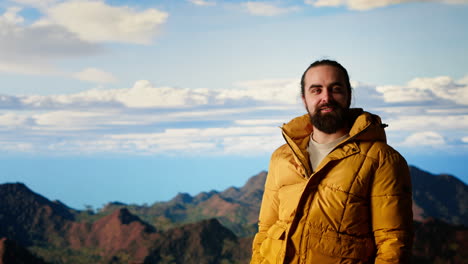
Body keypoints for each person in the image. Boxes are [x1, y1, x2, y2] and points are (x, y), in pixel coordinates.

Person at [250, 60, 413, 264]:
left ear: (349, 95)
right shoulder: (281, 157)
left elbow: (393, 244)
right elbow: (265, 231)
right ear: (305, 99)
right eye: (316, 90)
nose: (326, 97)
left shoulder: (382, 159)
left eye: (335, 89)